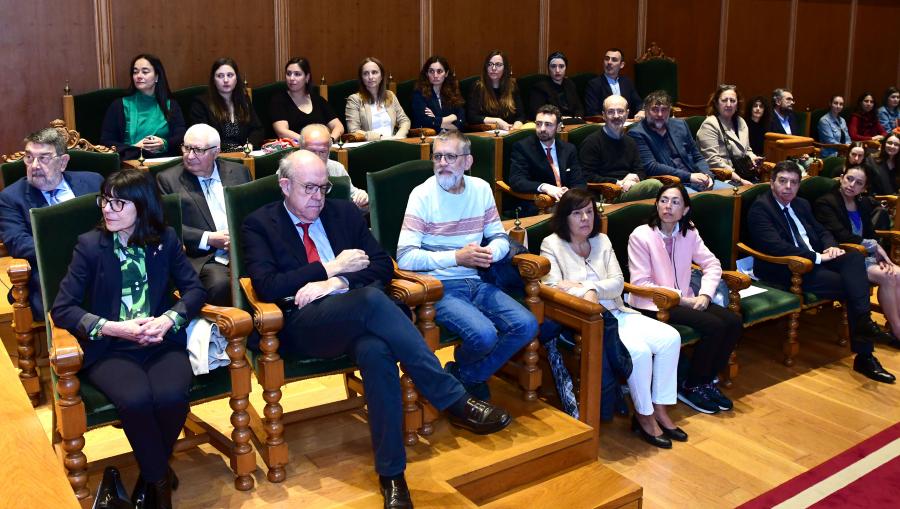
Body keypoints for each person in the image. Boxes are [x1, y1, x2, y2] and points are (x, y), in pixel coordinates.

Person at [240, 149, 512, 508]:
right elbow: (269, 285)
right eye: (309, 188)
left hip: (354, 313)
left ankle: (392, 475)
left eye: (323, 188)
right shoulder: (259, 223)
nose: (318, 198)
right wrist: (331, 267)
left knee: (376, 350)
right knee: (371, 300)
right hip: (302, 326)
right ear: (285, 185)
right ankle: (452, 397)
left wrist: (334, 284)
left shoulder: (342, 212)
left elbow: (382, 265)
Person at [52, 169, 205, 507]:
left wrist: (169, 319)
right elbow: (62, 308)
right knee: (135, 400)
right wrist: (110, 327)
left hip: (161, 342)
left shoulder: (163, 239)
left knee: (171, 396)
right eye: (104, 200)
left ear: (142, 206)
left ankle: (149, 478)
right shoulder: (91, 246)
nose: (107, 209)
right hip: (111, 347)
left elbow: (195, 290)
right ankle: (158, 486)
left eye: (118, 203)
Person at [397, 130, 539, 401]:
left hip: (477, 279)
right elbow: (405, 257)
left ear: (468, 161)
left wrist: (490, 253)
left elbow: (499, 237)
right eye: (437, 156)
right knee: (484, 336)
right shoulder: (422, 195)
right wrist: (456, 257)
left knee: (527, 325)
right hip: (438, 286)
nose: (442, 163)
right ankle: (470, 377)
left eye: (450, 156)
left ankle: (464, 375)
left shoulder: (481, 189)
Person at [541, 189, 682, 448]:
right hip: (590, 321)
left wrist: (587, 287)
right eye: (577, 213)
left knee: (670, 337)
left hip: (620, 311)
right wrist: (591, 290)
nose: (585, 218)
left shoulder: (602, 241)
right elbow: (552, 289)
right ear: (564, 217)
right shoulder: (552, 244)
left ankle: (660, 409)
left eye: (589, 212)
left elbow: (617, 284)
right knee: (637, 351)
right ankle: (644, 416)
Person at [747, 161, 895, 383]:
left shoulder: (802, 204)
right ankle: (864, 353)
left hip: (818, 258)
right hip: (787, 267)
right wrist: (818, 257)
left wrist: (830, 246)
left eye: (794, 183)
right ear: (771, 182)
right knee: (855, 285)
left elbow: (822, 230)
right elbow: (774, 246)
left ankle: (863, 326)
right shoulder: (761, 208)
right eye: (783, 181)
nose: (788, 187)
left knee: (853, 257)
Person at [628, 183, 742, 414]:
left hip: (688, 299)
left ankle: (706, 380)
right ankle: (690, 385)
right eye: (663, 200)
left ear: (685, 210)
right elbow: (641, 284)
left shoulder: (689, 233)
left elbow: (712, 264)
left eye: (675, 202)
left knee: (733, 321)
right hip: (652, 303)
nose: (668, 206)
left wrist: (706, 294)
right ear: (656, 204)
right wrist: (683, 299)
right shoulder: (641, 236)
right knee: (713, 326)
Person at [0, 127, 103, 317]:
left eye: (44, 158)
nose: (35, 165)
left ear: (63, 162)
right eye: (29, 157)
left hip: (103, 264)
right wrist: (75, 250)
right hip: (54, 271)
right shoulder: (11, 198)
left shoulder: (94, 183)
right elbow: (18, 243)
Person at [156, 123, 251, 306]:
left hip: (242, 250)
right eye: (187, 148)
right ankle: (221, 331)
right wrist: (208, 238)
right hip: (204, 258)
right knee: (221, 284)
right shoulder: (167, 180)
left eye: (198, 150)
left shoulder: (239, 172)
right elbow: (166, 226)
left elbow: (252, 213)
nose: (190, 156)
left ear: (216, 152)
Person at [814, 166, 900, 347]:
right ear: (842, 177)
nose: (852, 185)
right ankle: (897, 330)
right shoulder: (826, 202)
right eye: (849, 179)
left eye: (858, 183)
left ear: (864, 188)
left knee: (897, 272)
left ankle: (894, 327)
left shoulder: (861, 203)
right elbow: (840, 234)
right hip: (845, 257)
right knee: (888, 276)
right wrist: (873, 246)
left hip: (865, 253)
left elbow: (870, 232)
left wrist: (878, 251)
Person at [632, 89, 743, 191]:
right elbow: (652, 167)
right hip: (672, 185)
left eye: (664, 110)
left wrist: (707, 175)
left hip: (697, 178)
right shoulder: (638, 133)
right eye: (655, 110)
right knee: (696, 201)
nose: (660, 114)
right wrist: (689, 177)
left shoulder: (680, 125)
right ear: (646, 110)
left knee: (733, 193)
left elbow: (697, 156)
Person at [100, 54, 186, 161]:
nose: (139, 76)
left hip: (163, 161)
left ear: (157, 77)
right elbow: (106, 141)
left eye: (145, 72)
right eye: (135, 72)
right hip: (129, 163)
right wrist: (134, 148)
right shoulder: (119, 105)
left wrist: (164, 144)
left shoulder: (171, 105)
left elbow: (182, 135)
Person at [579, 95, 662, 202]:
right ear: (604, 115)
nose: (616, 116)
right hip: (608, 194)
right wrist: (617, 182)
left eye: (620, 111)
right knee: (654, 186)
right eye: (611, 112)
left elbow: (640, 170)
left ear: (627, 114)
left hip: (630, 188)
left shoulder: (630, 141)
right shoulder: (591, 142)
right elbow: (586, 175)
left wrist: (635, 178)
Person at [509, 104, 586, 215]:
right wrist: (545, 187)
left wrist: (569, 195)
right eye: (539, 124)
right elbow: (517, 180)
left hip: (568, 203)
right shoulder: (523, 147)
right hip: (538, 205)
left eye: (548, 125)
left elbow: (579, 181)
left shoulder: (569, 149)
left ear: (559, 127)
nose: (542, 129)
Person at [189, 57, 264, 152]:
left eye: (230, 75)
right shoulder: (200, 104)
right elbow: (203, 137)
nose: (225, 80)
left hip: (245, 154)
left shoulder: (243, 99)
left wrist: (250, 144)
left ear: (236, 78)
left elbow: (258, 129)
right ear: (213, 80)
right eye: (220, 76)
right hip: (217, 155)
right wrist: (234, 150)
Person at [696, 85, 763, 184]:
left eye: (732, 101)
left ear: (737, 104)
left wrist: (753, 158)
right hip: (723, 177)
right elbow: (713, 161)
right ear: (716, 103)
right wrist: (739, 179)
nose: (729, 104)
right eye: (724, 100)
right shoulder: (710, 124)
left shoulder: (741, 122)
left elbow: (747, 150)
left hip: (744, 173)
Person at [270, 57, 344, 143]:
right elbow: (282, 132)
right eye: (288, 73)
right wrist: (308, 141)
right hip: (296, 150)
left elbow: (338, 126)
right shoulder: (278, 100)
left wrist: (330, 140)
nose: (291, 78)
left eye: (297, 74)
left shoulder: (317, 99)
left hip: (321, 147)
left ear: (307, 77)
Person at [300, 123, 369, 210]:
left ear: (329, 150)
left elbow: (352, 195)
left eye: (322, 152)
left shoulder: (337, 168)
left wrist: (361, 198)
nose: (317, 158)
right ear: (301, 149)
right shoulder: (288, 170)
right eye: (312, 151)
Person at [345, 57, 411, 140]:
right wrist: (381, 137)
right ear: (361, 78)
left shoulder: (390, 95)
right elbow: (353, 131)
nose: (370, 77)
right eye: (366, 73)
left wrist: (398, 137)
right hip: (369, 146)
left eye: (374, 72)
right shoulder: (354, 99)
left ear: (382, 76)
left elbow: (404, 120)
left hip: (394, 143)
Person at [466, 50, 524, 131]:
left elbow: (521, 116)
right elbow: (471, 117)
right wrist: (497, 121)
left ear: (505, 68)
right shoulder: (478, 87)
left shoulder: (512, 87)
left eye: (498, 65)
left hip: (509, 132)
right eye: (490, 64)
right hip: (486, 134)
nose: (493, 68)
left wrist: (517, 125)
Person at [584, 48, 644, 118]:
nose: (609, 62)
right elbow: (592, 112)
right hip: (605, 124)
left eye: (614, 60)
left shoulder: (627, 82)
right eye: (607, 59)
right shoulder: (594, 84)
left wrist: (642, 111)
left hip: (627, 123)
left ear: (622, 65)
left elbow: (638, 103)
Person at [411, 55, 465, 131]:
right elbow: (423, 122)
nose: (435, 75)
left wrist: (435, 119)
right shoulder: (419, 93)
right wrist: (450, 118)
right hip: (428, 137)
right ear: (427, 74)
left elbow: (461, 122)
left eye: (439, 71)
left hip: (452, 137)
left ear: (446, 73)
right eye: (431, 71)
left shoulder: (453, 92)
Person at [528, 51, 585, 120]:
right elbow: (537, 114)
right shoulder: (540, 88)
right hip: (552, 125)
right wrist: (559, 118)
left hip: (572, 124)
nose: (557, 70)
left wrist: (577, 118)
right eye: (553, 66)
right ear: (548, 68)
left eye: (561, 66)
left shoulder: (570, 84)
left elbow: (579, 108)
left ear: (566, 68)